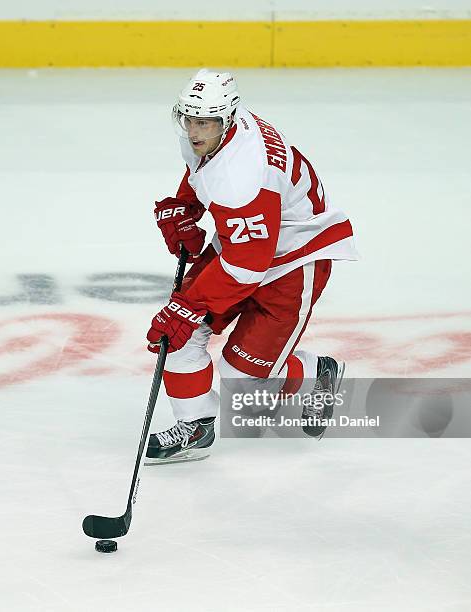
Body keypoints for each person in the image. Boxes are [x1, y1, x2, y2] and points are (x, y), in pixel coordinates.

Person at [145, 69, 358, 464]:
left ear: (226, 119)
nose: (194, 130)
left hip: (294, 258)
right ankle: (196, 427)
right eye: (188, 118)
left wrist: (190, 305)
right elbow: (202, 171)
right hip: (245, 242)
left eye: (204, 122)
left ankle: (314, 374)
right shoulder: (213, 133)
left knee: (242, 381)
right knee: (177, 336)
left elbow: (247, 267)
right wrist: (186, 207)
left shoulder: (243, 174)